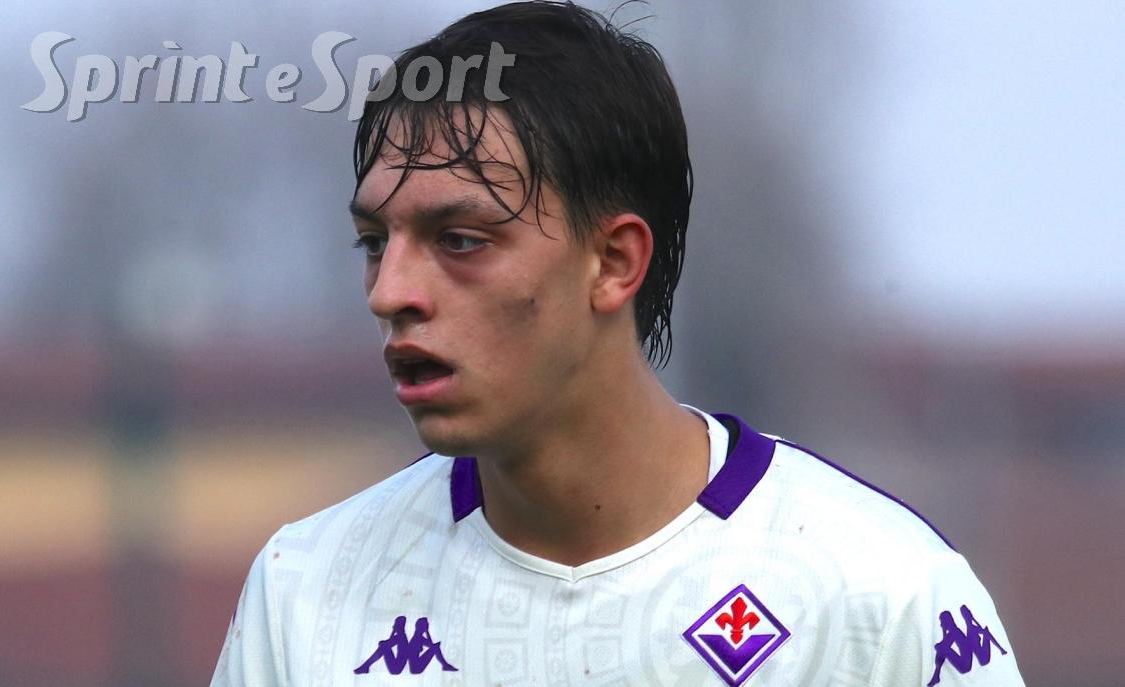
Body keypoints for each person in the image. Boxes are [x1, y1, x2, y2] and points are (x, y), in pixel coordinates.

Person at [210, 2, 1025, 685]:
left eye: (459, 239)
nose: (391, 291)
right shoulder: (307, 590)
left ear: (614, 262)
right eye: (373, 243)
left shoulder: (882, 596)